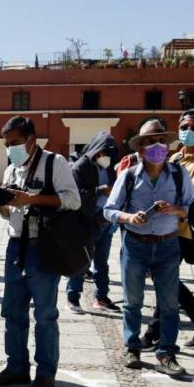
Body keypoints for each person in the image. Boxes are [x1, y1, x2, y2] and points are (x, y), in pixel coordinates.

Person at [0, 116, 81, 387]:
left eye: (15, 143)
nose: (10, 149)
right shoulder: (12, 169)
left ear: (31, 140)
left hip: (44, 247)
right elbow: (9, 212)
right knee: (12, 311)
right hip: (16, 245)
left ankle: (45, 373)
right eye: (7, 144)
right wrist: (4, 205)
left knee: (44, 314)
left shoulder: (55, 163)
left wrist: (31, 199)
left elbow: (73, 200)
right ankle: (17, 366)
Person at [103, 118, 194, 376]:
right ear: (141, 149)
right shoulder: (129, 176)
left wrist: (177, 209)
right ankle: (131, 347)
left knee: (168, 304)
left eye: (161, 141)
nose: (157, 145)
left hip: (168, 245)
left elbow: (193, 208)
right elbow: (109, 209)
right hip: (135, 244)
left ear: (167, 146)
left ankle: (166, 353)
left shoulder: (180, 175)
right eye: (149, 142)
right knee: (132, 301)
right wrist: (129, 218)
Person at [143, 109, 194, 350]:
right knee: (166, 279)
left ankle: (153, 335)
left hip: (182, 230)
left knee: (164, 278)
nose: (188, 131)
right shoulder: (177, 157)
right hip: (164, 227)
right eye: (184, 126)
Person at [65, 131, 121, 313]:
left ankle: (101, 297)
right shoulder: (80, 167)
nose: (105, 157)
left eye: (109, 154)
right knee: (82, 260)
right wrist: (99, 190)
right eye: (103, 152)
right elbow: (75, 195)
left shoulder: (109, 167)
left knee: (102, 262)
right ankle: (72, 297)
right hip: (86, 221)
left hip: (106, 220)